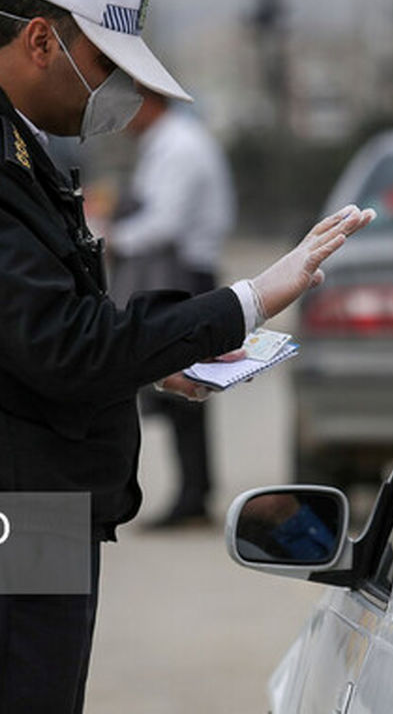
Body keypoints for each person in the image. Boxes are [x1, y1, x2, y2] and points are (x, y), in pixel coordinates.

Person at [0, 0, 374, 714]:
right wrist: (250, 300)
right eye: (106, 66)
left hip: (15, 513)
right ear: (39, 40)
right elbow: (66, 348)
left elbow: (28, 329)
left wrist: (155, 357)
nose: (117, 93)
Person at [109, 87, 235, 528]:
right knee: (184, 390)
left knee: (188, 389)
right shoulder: (171, 141)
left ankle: (194, 496)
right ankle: (192, 492)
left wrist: (109, 238)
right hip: (179, 273)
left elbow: (165, 223)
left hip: (183, 277)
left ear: (148, 103)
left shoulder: (179, 146)